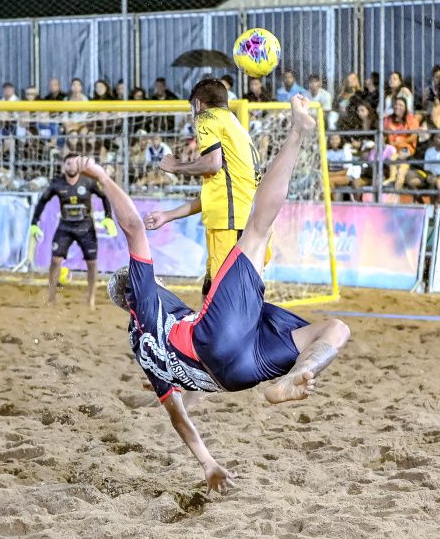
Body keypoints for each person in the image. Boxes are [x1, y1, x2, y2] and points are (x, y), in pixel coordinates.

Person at [81, 95, 349, 494]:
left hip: (235, 376)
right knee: (257, 229)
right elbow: (135, 228)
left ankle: (294, 377)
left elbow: (177, 415)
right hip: (214, 340)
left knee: (333, 329)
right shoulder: (147, 298)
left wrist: (208, 464)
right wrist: (102, 178)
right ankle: (297, 133)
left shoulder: (141, 345)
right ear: (137, 289)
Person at [144, 78, 263, 297]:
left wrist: (176, 166)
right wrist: (168, 215)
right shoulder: (236, 127)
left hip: (230, 224)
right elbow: (216, 193)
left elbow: (212, 163)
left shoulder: (207, 118)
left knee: (223, 297)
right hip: (248, 221)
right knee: (214, 291)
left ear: (198, 104)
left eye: (192, 108)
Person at [29, 153, 117, 309]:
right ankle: (51, 297)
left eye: (74, 163)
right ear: (64, 167)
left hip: (86, 228)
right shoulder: (57, 184)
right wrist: (34, 223)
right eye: (68, 163)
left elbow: (105, 197)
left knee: (92, 263)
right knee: (56, 260)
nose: (71, 166)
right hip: (65, 227)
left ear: (79, 166)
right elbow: (42, 201)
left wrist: (109, 217)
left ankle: (91, 299)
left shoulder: (89, 182)